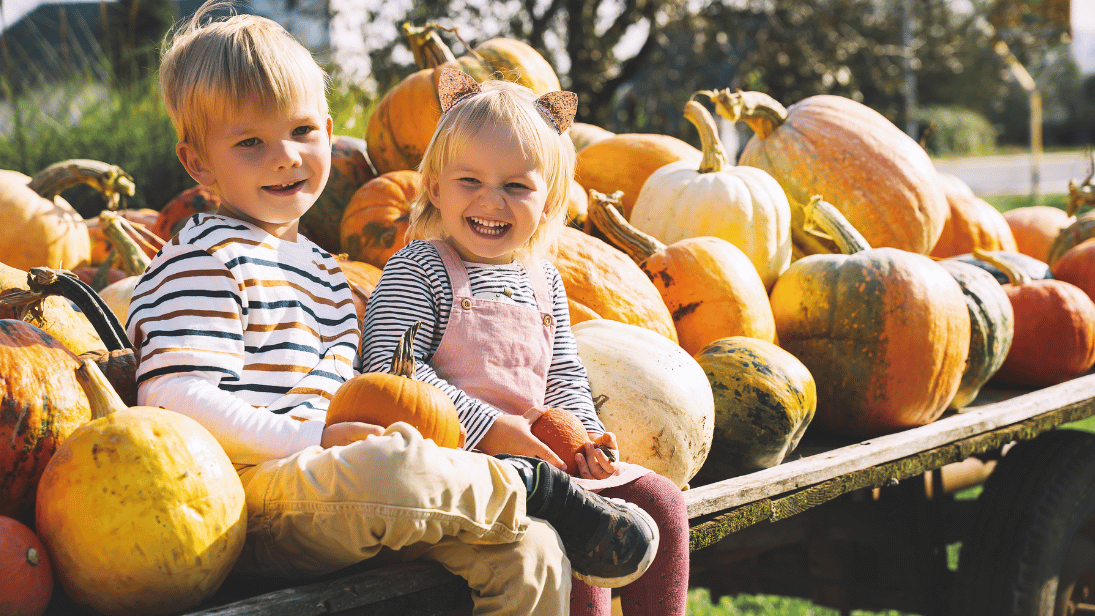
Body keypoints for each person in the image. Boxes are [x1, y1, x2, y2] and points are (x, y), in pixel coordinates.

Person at [126, 5, 658, 615]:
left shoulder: (322, 267)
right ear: (198, 162)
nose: (285, 156)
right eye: (250, 142)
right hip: (250, 501)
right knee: (393, 467)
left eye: (301, 132)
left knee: (529, 551)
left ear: (328, 131)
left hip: (346, 491)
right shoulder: (205, 257)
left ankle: (530, 504)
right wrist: (313, 435)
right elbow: (172, 396)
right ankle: (536, 485)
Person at [361, 68, 689, 616]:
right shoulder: (417, 269)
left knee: (660, 502)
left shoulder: (543, 280)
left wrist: (585, 439)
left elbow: (562, 376)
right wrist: (490, 426)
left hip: (543, 460)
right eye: (470, 181)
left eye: (516, 186)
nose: (492, 203)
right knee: (573, 534)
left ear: (549, 199)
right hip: (461, 466)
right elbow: (394, 372)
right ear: (435, 188)